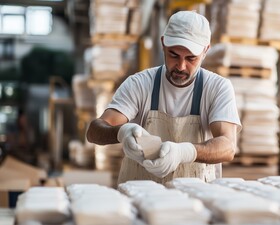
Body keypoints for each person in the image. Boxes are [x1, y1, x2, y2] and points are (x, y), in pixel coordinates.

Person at [86, 11, 241, 184]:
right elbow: (94, 132)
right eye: (174, 55)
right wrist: (121, 132)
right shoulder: (140, 84)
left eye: (191, 58)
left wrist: (184, 152)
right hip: (141, 194)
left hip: (196, 199)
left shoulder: (217, 88)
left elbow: (227, 147)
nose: (181, 66)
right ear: (163, 44)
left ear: (206, 51)